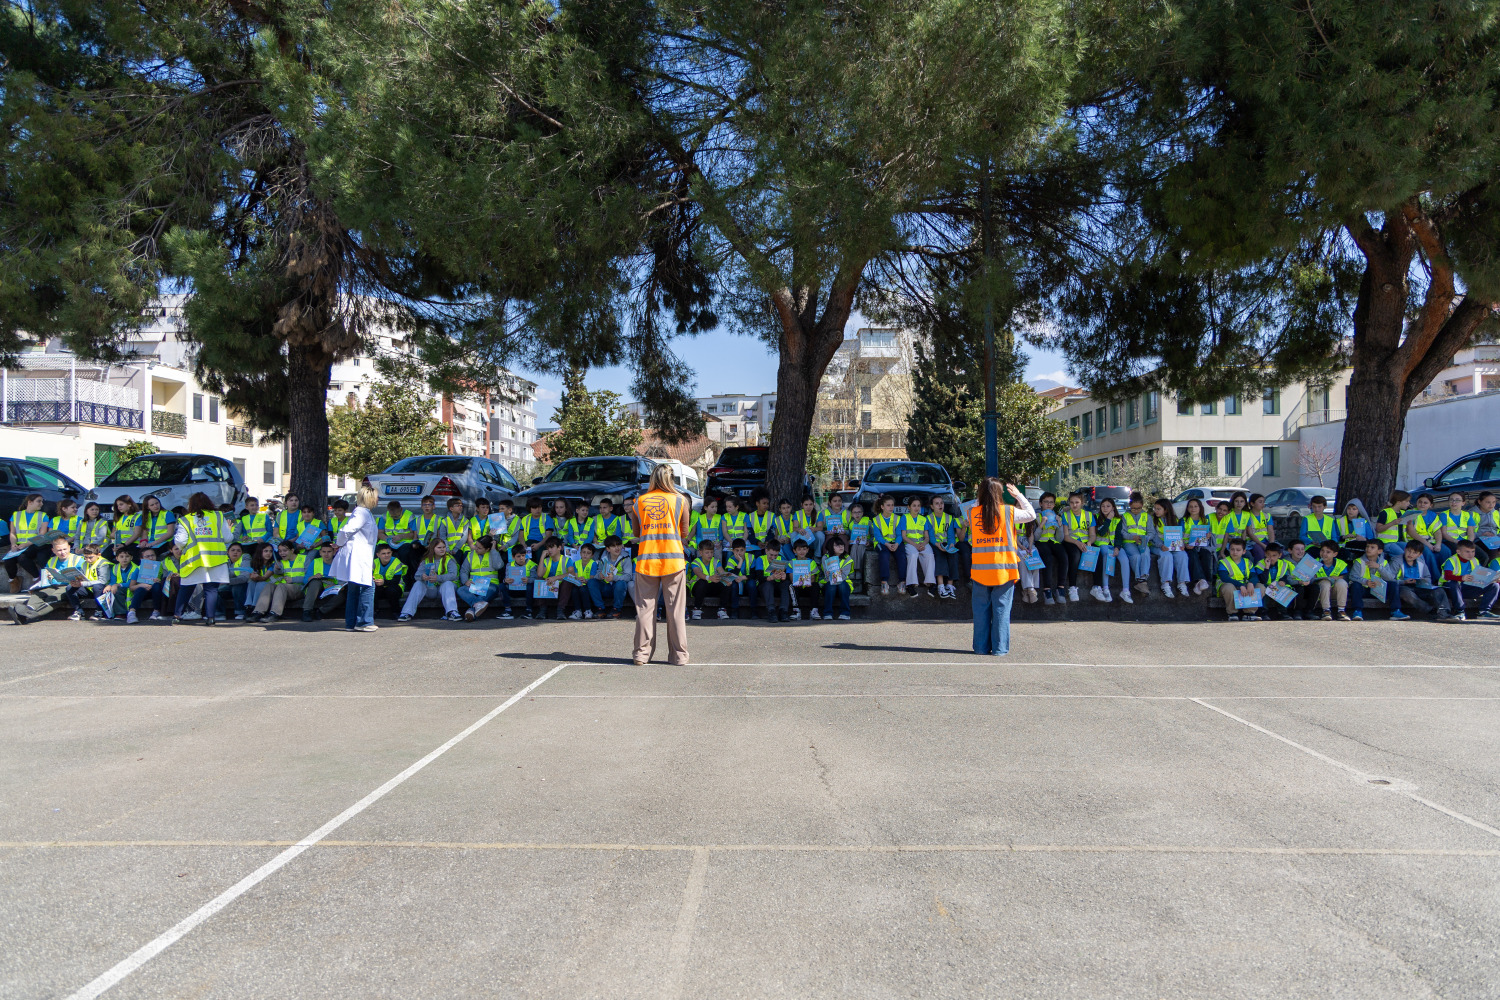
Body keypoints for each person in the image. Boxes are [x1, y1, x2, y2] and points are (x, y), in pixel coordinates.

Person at [628, 464, 692, 664]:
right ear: (671, 479)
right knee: (675, 611)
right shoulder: (680, 500)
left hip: (647, 560)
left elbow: (637, 532)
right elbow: (684, 532)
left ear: (652, 478)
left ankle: (641, 654)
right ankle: (679, 656)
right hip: (673, 561)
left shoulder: (639, 502)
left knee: (645, 610)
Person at [969, 478, 1032, 656]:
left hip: (980, 571)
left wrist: (983, 495)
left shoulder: (972, 513)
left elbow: (976, 504)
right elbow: (1031, 514)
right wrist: (1018, 495)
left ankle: (980, 648)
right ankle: (999, 648)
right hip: (1004, 570)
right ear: (999, 494)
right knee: (1001, 611)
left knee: (980, 612)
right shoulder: (1009, 511)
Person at [171, 492, 233, 625]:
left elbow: (180, 541)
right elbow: (228, 538)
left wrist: (180, 546)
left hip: (194, 560)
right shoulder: (218, 516)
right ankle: (211, 618)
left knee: (186, 587)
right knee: (211, 589)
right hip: (216, 560)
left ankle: (177, 615)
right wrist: (229, 529)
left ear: (191, 505)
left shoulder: (186, 519)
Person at [333, 484, 379, 632]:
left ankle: (351, 622)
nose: (377, 500)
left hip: (359, 554)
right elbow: (346, 530)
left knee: (354, 588)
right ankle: (364, 622)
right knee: (368, 586)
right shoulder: (362, 513)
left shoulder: (362, 512)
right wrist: (339, 543)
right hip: (358, 555)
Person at [399, 538, 460, 622]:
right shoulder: (426, 560)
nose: (442, 549)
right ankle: (406, 613)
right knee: (418, 583)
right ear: (432, 548)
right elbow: (417, 575)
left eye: (444, 547)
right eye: (439, 547)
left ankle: (452, 612)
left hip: (445, 590)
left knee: (448, 583)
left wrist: (438, 578)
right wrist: (422, 576)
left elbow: (453, 575)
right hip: (431, 589)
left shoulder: (450, 559)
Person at [1442, 538, 1500, 621]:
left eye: (1473, 552)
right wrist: (1461, 578)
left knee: (1494, 585)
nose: (1471, 554)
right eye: (1467, 552)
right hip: (1451, 590)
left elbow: (1480, 575)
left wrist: (1491, 579)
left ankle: (1484, 612)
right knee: (1453, 583)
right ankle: (1460, 612)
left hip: (1468, 588)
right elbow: (1447, 576)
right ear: (1458, 552)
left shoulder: (1475, 560)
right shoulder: (1451, 561)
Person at [1348, 538, 1404, 621]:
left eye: (1372, 547)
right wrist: (1365, 582)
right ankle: (1357, 611)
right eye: (1367, 546)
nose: (1368, 549)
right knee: (1355, 585)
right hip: (1364, 589)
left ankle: (1396, 611)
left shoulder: (1384, 562)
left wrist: (1379, 567)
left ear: (1380, 551)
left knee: (1393, 584)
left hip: (1379, 590)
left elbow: (1390, 577)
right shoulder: (1359, 561)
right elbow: (1352, 576)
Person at [1394, 539, 1451, 620]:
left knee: (1439, 590)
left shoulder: (1421, 562)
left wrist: (1423, 581)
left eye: (1414, 553)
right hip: (1404, 586)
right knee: (1406, 593)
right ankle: (1430, 611)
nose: (1410, 554)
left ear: (1420, 554)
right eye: (1409, 551)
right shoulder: (1396, 561)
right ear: (1405, 550)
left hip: (1419, 586)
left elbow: (1427, 577)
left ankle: (1445, 614)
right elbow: (1390, 579)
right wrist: (1404, 581)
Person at [1090, 498, 1132, 604]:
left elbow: (1118, 536)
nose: (1105, 508)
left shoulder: (1118, 519)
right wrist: (1108, 519)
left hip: (1114, 545)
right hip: (1102, 545)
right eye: (1103, 506)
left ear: (1113, 508)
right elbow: (1101, 533)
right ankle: (1105, 589)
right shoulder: (1096, 517)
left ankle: (1125, 590)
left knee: (1124, 559)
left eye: (1108, 506)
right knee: (1107, 556)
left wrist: (1117, 547)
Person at [251, 541, 303, 623]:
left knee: (281, 586)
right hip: (284, 588)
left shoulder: (305, 558)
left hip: (300, 587)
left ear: (292, 550)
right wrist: (276, 568)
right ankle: (258, 612)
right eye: (280, 551)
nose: (282, 553)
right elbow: (278, 573)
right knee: (269, 586)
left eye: (285, 550)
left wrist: (293, 579)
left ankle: (275, 613)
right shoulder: (281, 561)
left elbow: (309, 577)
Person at [1031, 492, 1068, 605]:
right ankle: (1047, 590)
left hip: (1053, 541)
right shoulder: (1035, 516)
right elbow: (1035, 537)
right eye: (1046, 502)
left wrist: (1060, 525)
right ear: (1040, 503)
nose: (1049, 504)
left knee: (1064, 557)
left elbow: (1059, 538)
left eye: (1051, 502)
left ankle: (1060, 588)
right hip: (1041, 542)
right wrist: (1041, 524)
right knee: (1048, 559)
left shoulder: (1056, 516)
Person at [1216, 537, 1262, 622]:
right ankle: (1232, 613)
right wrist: (1240, 585)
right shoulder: (1224, 562)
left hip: (1244, 586)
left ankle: (1249, 613)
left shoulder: (1248, 562)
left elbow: (1254, 576)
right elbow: (1224, 578)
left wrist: (1251, 583)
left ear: (1244, 551)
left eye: (1238, 550)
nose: (1235, 552)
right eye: (1232, 549)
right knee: (1228, 587)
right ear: (1229, 549)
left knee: (1260, 587)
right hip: (1231, 587)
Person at [1149, 498, 1188, 599]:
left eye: (1158, 509)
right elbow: (1153, 536)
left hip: (1171, 545)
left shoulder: (1174, 519)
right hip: (1156, 546)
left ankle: (1182, 583)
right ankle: (1165, 584)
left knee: (1182, 555)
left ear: (1166, 510)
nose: (1156, 511)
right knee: (1166, 556)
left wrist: (1181, 544)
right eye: (1155, 508)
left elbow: (1178, 535)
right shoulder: (1152, 520)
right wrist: (1161, 545)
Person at [1060, 492, 1094, 602]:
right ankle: (1072, 587)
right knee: (1075, 556)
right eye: (1072, 502)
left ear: (1082, 503)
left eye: (1077, 502)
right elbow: (1066, 536)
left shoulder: (1089, 515)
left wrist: (1089, 542)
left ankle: (1097, 587)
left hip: (1085, 542)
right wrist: (1077, 543)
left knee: (1098, 556)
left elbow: (1093, 535)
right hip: (1071, 541)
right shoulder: (1066, 515)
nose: (1074, 505)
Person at [457, 535, 500, 622]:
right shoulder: (471, 555)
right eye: (476, 545)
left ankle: (472, 611)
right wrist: (466, 581)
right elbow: (463, 571)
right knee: (461, 590)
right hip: (474, 585)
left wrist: (493, 550)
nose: (476, 548)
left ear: (487, 549)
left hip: (491, 585)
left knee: (488, 591)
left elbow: (498, 566)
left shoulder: (493, 554)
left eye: (479, 548)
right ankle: (476, 606)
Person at [300, 541, 346, 622]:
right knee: (314, 582)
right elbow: (305, 580)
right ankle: (307, 611)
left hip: (332, 589)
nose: (326, 554)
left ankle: (321, 611)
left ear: (334, 552)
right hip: (317, 589)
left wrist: (333, 586)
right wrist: (313, 577)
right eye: (324, 552)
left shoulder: (339, 564)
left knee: (342, 594)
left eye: (329, 552)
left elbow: (343, 584)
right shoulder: (315, 562)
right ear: (320, 553)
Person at [900, 496, 936, 597]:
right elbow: (904, 536)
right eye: (914, 506)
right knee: (913, 555)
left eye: (918, 506)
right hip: (910, 543)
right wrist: (915, 545)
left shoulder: (923, 519)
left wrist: (923, 544)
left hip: (922, 543)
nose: (917, 508)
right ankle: (910, 584)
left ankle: (931, 583)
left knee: (929, 555)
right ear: (909, 507)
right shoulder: (904, 518)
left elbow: (927, 537)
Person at [928, 496, 963, 600]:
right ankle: (940, 586)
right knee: (939, 555)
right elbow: (930, 536)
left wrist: (951, 544)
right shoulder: (928, 518)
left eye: (941, 503)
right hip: (935, 544)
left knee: (953, 555)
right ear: (932, 506)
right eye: (937, 503)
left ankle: (950, 585)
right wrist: (937, 544)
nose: (940, 505)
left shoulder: (949, 517)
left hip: (946, 543)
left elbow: (951, 535)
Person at [589, 536, 632, 619]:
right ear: (607, 549)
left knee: (621, 584)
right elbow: (597, 574)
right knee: (592, 582)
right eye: (613, 546)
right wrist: (600, 575)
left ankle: (616, 609)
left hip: (618, 588)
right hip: (606, 586)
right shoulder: (603, 558)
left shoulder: (626, 558)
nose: (617, 548)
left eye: (618, 545)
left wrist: (614, 578)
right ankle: (600, 609)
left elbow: (628, 576)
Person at [1258, 542, 1302, 621]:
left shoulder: (1283, 564)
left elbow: (1285, 576)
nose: (1271, 558)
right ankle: (1264, 612)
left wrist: (1283, 581)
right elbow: (1263, 580)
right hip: (1265, 585)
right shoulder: (1260, 564)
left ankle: (1283, 612)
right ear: (1265, 554)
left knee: (1285, 589)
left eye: (1274, 555)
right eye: (1268, 555)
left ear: (1280, 555)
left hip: (1277, 585)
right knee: (1265, 590)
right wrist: (1267, 567)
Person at [871, 496, 906, 595]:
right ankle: (884, 582)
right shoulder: (876, 519)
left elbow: (899, 534)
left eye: (892, 505)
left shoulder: (898, 518)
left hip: (895, 542)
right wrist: (886, 544)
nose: (891, 507)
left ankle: (902, 582)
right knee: (884, 554)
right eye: (888, 505)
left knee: (902, 555)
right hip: (882, 543)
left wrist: (897, 544)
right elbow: (877, 536)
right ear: (882, 507)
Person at [1120, 493, 1153, 596]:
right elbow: (1123, 532)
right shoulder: (1125, 516)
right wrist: (1132, 537)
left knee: (1145, 554)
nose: (1136, 510)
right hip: (1129, 542)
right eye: (1134, 508)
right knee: (1136, 556)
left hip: (1143, 541)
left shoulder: (1147, 516)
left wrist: (1146, 538)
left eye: (1138, 508)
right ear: (1130, 505)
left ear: (1142, 505)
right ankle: (1140, 581)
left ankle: (1142, 579)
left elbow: (1151, 532)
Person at [1181, 497, 1215, 594]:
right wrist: (1186, 544)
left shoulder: (1205, 520)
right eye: (1191, 507)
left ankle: (1201, 582)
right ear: (1187, 508)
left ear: (1200, 508)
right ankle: (1200, 581)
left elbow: (1206, 535)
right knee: (1192, 554)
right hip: (1187, 546)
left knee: (1206, 554)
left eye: (1196, 506)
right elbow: (1179, 536)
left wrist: (1207, 536)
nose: (1193, 508)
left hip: (1201, 546)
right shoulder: (1183, 520)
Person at [1311, 540, 1350, 621]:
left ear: (1335, 554)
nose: (1324, 554)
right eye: (1322, 550)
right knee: (1325, 582)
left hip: (1335, 592)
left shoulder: (1341, 564)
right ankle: (1326, 611)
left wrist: (1337, 578)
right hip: (1321, 592)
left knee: (1341, 582)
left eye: (1328, 552)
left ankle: (1341, 611)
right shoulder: (1314, 562)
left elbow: (1345, 578)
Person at [689, 540, 727, 620]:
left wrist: (727, 579)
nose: (710, 555)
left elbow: (722, 573)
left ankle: (722, 610)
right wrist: (709, 578)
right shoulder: (696, 562)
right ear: (701, 552)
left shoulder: (716, 561)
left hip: (711, 588)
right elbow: (698, 573)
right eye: (707, 552)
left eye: (711, 552)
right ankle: (696, 609)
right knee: (702, 582)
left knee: (725, 583)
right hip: (698, 589)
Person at [786, 537, 822, 620]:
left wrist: (807, 582)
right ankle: (796, 610)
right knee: (791, 586)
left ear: (807, 550)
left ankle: (814, 610)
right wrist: (797, 582)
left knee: (815, 585)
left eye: (804, 549)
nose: (802, 552)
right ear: (794, 551)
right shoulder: (791, 563)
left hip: (808, 586)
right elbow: (791, 578)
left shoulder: (811, 562)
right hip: (797, 587)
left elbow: (813, 578)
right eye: (799, 549)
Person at [821, 536, 855, 621]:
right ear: (830, 547)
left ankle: (845, 613)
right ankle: (828, 613)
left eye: (842, 545)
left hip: (843, 584)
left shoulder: (847, 558)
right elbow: (826, 575)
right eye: (837, 545)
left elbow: (844, 576)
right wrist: (829, 574)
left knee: (842, 584)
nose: (841, 547)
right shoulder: (825, 558)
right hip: (829, 584)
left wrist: (837, 574)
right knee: (831, 585)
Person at [722, 538, 757, 619]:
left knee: (752, 584)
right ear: (733, 551)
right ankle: (734, 610)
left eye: (741, 550)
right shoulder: (731, 560)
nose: (739, 553)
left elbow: (754, 574)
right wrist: (740, 562)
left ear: (745, 550)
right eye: (737, 550)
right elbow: (732, 576)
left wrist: (743, 577)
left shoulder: (751, 557)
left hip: (747, 581)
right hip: (737, 583)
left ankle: (754, 611)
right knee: (734, 585)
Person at [500, 542, 535, 620]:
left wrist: (529, 580)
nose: (521, 558)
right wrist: (506, 580)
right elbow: (506, 577)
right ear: (513, 557)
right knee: (502, 585)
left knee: (531, 586)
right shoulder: (509, 565)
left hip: (526, 590)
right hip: (513, 589)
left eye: (523, 555)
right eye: (518, 556)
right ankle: (508, 610)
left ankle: (529, 610)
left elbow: (535, 578)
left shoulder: (532, 564)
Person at [373, 543, 408, 619]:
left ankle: (396, 612)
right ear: (378, 555)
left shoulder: (396, 562)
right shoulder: (374, 563)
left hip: (396, 587)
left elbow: (396, 581)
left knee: (391, 590)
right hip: (380, 587)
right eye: (383, 553)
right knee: (372, 589)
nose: (386, 555)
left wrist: (383, 582)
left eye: (388, 553)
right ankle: (374, 611)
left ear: (391, 553)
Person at [1374, 490, 1412, 562]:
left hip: (1400, 541)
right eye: (1407, 501)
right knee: (1403, 555)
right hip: (1387, 542)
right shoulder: (1385, 512)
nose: (1409, 503)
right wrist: (1392, 523)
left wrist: (1409, 523)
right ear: (1399, 502)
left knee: (1416, 553)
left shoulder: (1404, 513)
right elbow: (1378, 529)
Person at [244, 543, 278, 620]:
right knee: (251, 583)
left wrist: (257, 577)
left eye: (270, 551)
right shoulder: (255, 563)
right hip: (262, 585)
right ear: (260, 552)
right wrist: (252, 577)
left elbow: (264, 578)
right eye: (266, 551)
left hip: (273, 586)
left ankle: (256, 607)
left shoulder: (274, 564)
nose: (268, 553)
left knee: (260, 583)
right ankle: (249, 606)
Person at [224, 542, 252, 621]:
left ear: (242, 553)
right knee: (216, 589)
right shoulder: (224, 560)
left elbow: (244, 577)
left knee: (237, 587)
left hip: (243, 585)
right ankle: (219, 613)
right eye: (233, 550)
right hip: (228, 584)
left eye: (238, 551)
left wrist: (227, 581)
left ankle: (240, 612)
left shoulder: (245, 558)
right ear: (228, 552)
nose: (235, 552)